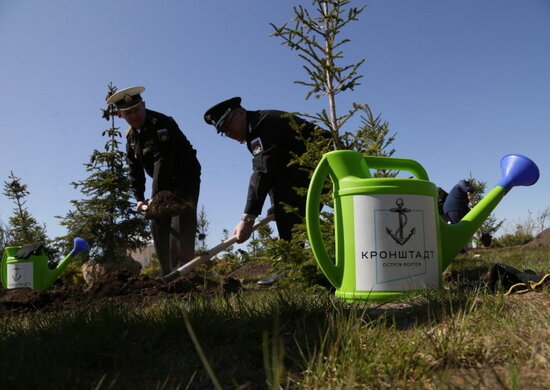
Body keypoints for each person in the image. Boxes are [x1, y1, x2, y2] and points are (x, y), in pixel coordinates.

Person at [106, 86, 201, 276]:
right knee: (157, 223)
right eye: (128, 112)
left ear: (144, 105)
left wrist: (156, 197)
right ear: (120, 114)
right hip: (162, 184)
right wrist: (140, 198)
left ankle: (184, 274)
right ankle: (168, 276)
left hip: (184, 178)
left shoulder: (161, 123)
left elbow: (162, 160)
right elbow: (135, 169)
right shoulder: (132, 137)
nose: (134, 115)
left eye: (137, 109)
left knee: (180, 219)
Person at [203, 96, 324, 244]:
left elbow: (263, 171)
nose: (230, 132)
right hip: (309, 171)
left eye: (229, 124)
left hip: (328, 166)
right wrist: (275, 203)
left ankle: (295, 256)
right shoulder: (254, 130)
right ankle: (296, 257)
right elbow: (276, 168)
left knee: (290, 220)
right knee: (285, 210)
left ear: (241, 113)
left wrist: (248, 219)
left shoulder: (261, 125)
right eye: (224, 131)